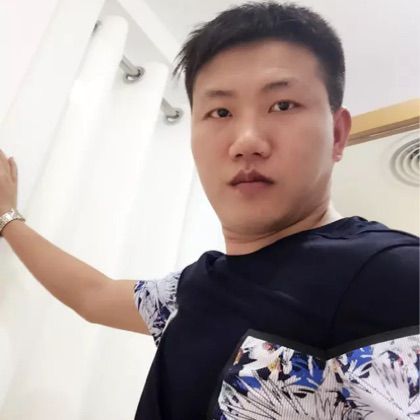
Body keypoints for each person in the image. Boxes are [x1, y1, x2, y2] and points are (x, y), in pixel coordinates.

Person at [0, 1, 418, 419]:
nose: (246, 140)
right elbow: (93, 295)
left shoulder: (394, 274)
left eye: (282, 105)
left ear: (338, 134)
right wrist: (8, 217)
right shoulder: (192, 289)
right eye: (220, 112)